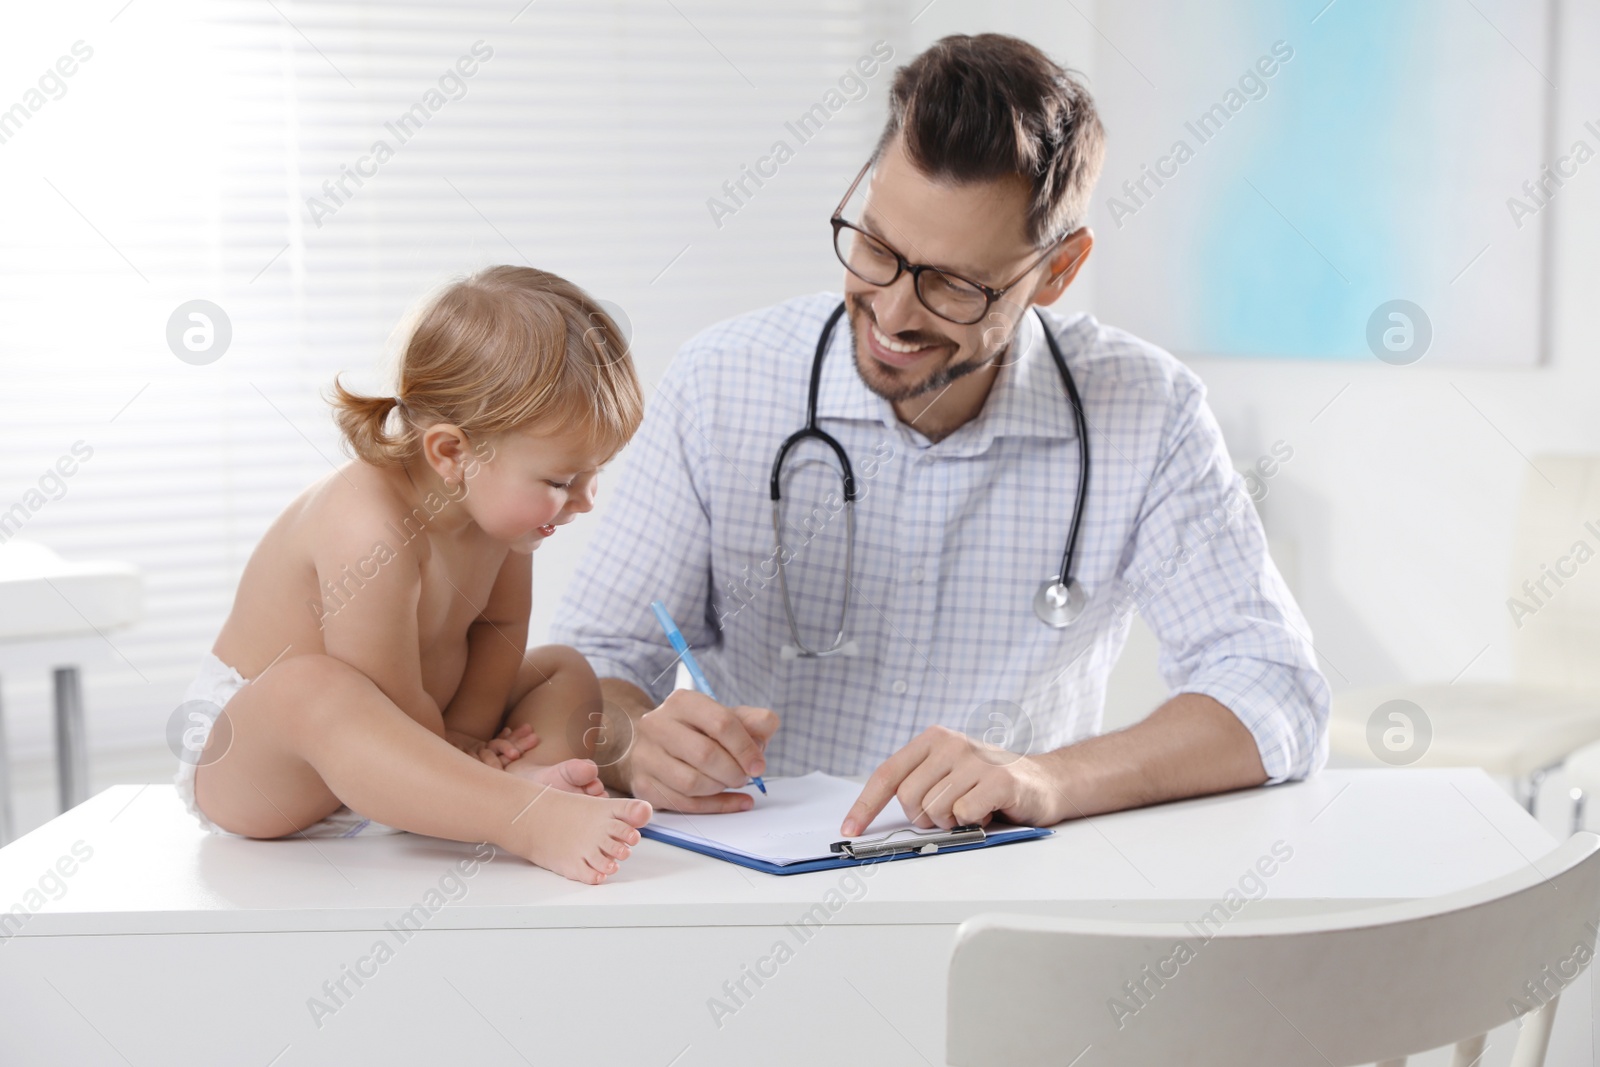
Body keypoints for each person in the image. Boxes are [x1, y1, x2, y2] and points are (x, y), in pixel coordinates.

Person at [550, 34, 1330, 837]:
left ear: (1057, 272)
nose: (892, 313)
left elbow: (1276, 689)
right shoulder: (721, 382)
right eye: (879, 249)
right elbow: (584, 672)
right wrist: (630, 741)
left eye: (954, 285)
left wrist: (1044, 777)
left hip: (1007, 892)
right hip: (759, 885)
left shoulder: (1148, 411)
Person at [178, 265, 652, 885]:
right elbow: (379, 696)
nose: (586, 500)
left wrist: (466, 737)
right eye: (562, 482)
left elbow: (500, 633)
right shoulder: (366, 526)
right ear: (453, 453)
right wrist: (453, 756)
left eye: (595, 474)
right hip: (269, 765)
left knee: (565, 668)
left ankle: (511, 789)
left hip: (425, 734)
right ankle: (521, 813)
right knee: (314, 686)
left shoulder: (501, 523)